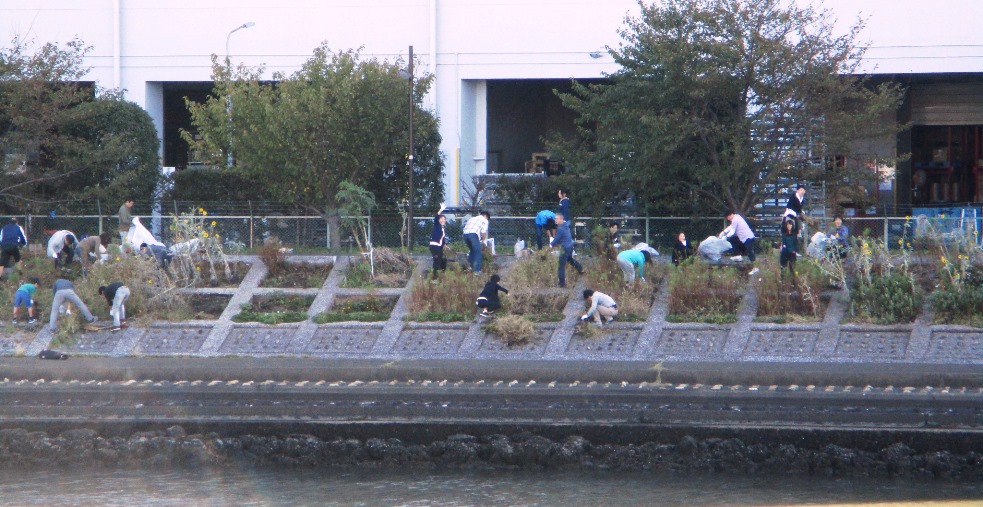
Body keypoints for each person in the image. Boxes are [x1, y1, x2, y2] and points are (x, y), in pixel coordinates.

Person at [551, 214, 584, 288]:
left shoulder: (560, 229)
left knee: (561, 266)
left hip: (565, 248)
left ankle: (562, 284)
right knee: (570, 259)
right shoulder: (565, 225)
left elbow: (556, 239)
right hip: (570, 246)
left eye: (557, 219)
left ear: (561, 219)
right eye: (555, 219)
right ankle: (580, 269)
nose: (555, 220)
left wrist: (551, 245)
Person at [429, 205, 448, 279]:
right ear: (439, 220)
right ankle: (434, 278)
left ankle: (440, 276)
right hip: (434, 246)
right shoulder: (437, 225)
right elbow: (436, 217)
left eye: (444, 219)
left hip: (438, 247)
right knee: (437, 261)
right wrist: (441, 210)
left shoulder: (442, 228)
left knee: (442, 260)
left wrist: (445, 244)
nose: (443, 220)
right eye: (442, 219)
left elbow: (442, 239)